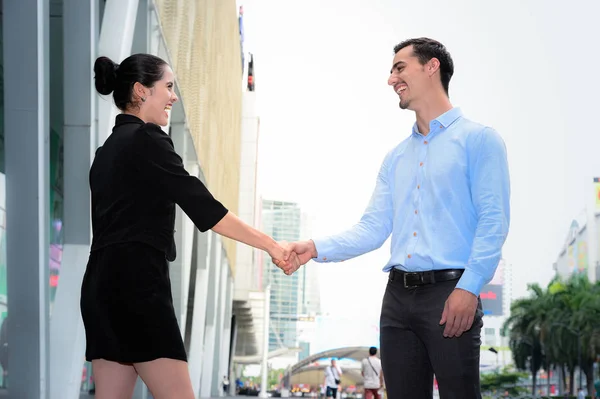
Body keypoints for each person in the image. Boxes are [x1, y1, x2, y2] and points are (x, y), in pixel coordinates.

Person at [276, 37, 510, 398]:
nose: (391, 79)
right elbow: (373, 228)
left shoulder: (480, 140)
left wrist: (469, 286)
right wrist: (313, 247)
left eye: (399, 68)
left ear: (432, 67)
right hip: (397, 300)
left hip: (451, 294)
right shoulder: (396, 158)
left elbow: (493, 221)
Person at [81, 53, 293, 399]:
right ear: (141, 91)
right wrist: (271, 244)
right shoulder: (148, 140)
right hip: (138, 286)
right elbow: (205, 208)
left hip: (99, 289)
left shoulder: (103, 153)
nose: (174, 96)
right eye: (168, 86)